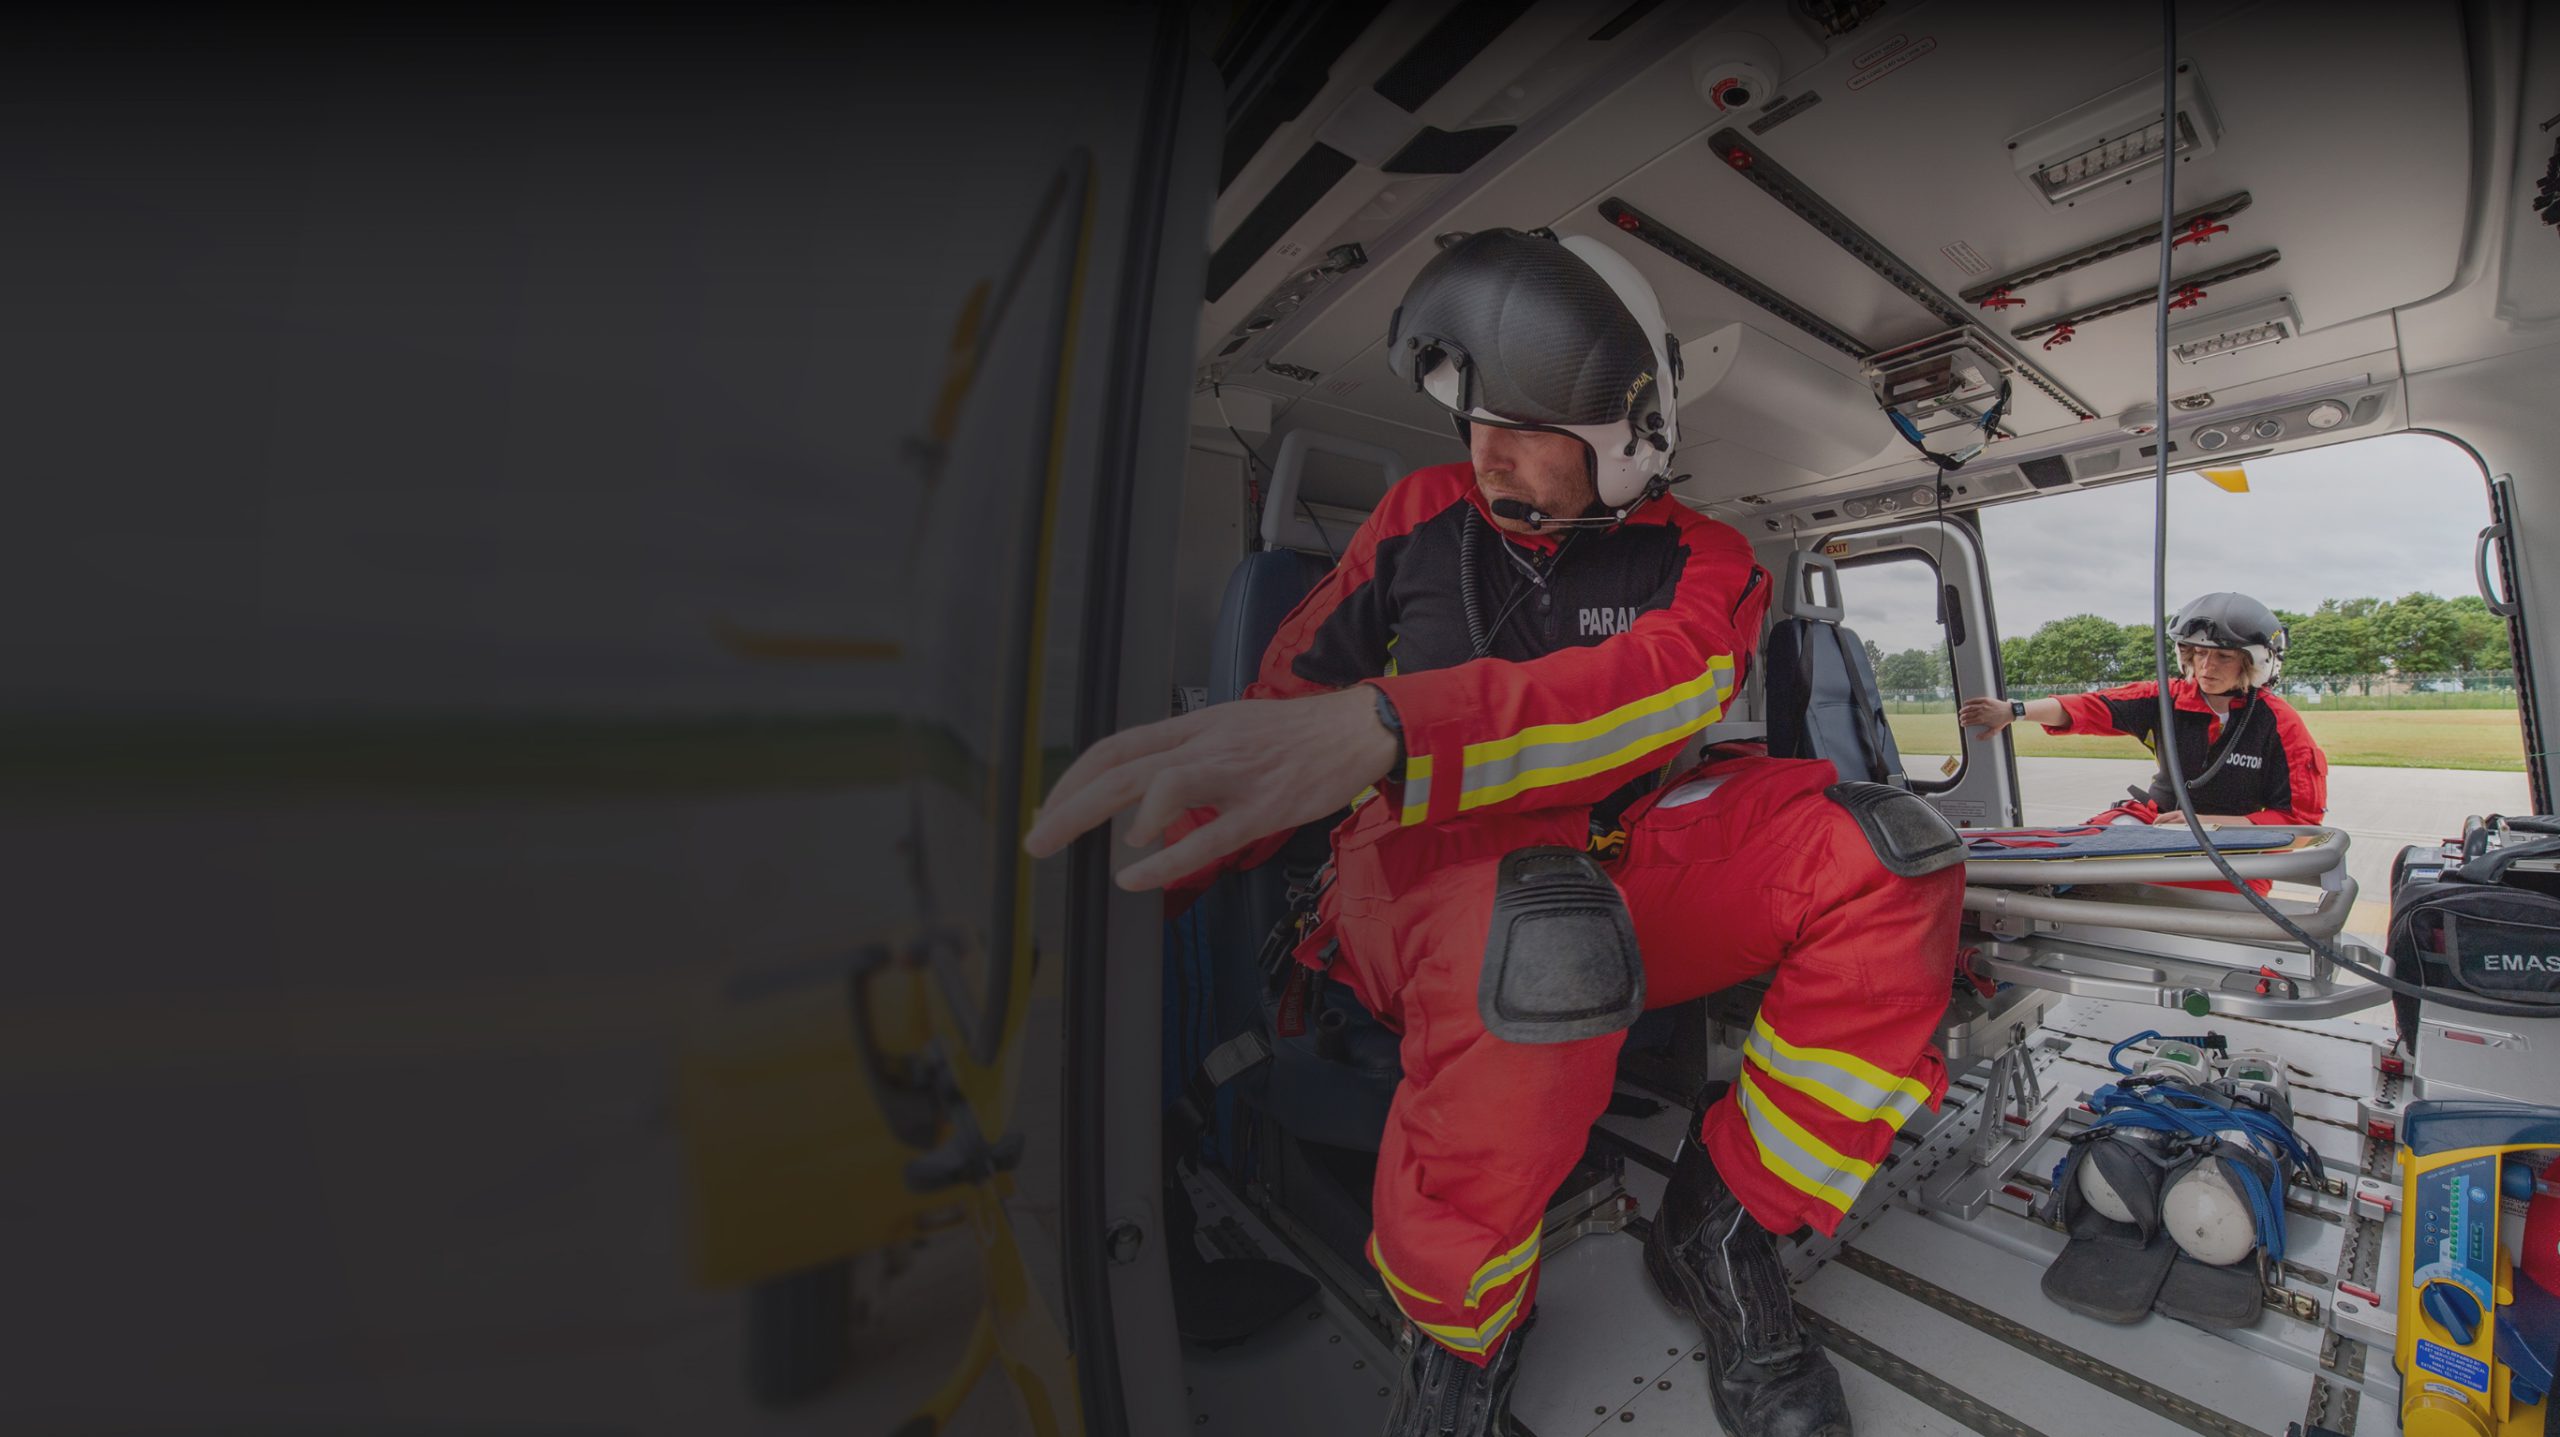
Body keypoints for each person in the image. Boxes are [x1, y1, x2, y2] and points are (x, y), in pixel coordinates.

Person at [1025, 227, 1965, 1437]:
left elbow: (1662, 689)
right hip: (1419, 872)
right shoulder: (1421, 516)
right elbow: (1282, 724)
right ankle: (1463, 1335)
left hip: (1614, 849)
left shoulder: (1708, 560)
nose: (1486, 452)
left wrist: (1396, 724)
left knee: (1889, 851)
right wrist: (1118, 885)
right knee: (1542, 937)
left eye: (1526, 427)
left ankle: (1723, 1226)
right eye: (1473, 418)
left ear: (1631, 438)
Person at [1957, 593, 2329, 890]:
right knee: (2070, 855)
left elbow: (2299, 820)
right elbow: (2093, 707)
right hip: (2152, 823)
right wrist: (2015, 710)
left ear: (2255, 662)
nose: (2205, 667)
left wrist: (2204, 823)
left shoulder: (2280, 724)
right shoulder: (2166, 699)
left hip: (2233, 849)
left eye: (2223, 657)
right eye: (2198, 653)